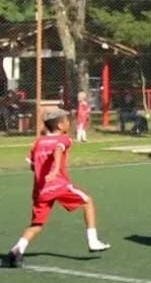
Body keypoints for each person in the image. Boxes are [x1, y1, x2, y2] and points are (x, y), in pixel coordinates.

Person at [5, 108, 110, 267]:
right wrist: (54, 170)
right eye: (67, 120)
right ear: (61, 125)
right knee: (87, 201)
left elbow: (33, 165)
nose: (69, 123)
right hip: (57, 185)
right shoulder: (64, 139)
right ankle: (93, 240)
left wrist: (44, 172)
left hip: (40, 190)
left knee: (36, 224)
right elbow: (58, 150)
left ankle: (17, 249)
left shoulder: (38, 142)